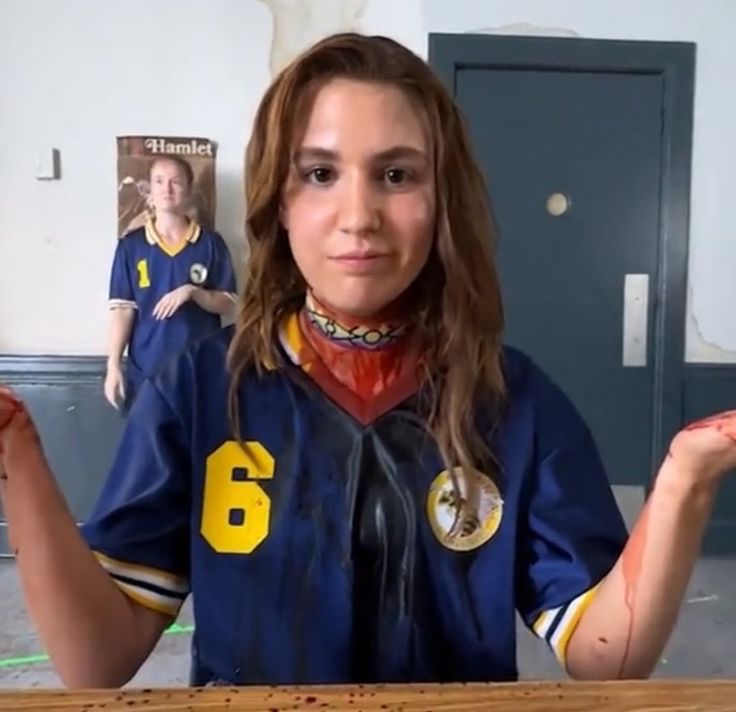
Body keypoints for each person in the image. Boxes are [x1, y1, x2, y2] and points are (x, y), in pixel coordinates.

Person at [1, 32, 735, 689]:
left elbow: (606, 658)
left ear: (442, 201)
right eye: (320, 174)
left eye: (397, 175)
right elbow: (97, 661)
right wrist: (17, 453)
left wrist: (686, 482)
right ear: (279, 201)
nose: (359, 217)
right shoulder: (197, 390)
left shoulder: (514, 400)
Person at [104, 155, 237, 410]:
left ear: (189, 189)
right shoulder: (130, 246)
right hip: (147, 372)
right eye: (159, 181)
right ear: (149, 190)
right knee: (149, 435)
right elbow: (122, 310)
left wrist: (194, 292)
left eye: (175, 181)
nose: (167, 189)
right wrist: (113, 366)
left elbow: (228, 303)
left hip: (201, 370)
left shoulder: (211, 243)